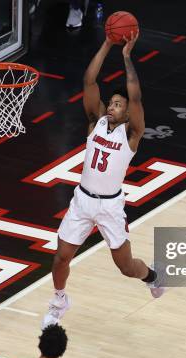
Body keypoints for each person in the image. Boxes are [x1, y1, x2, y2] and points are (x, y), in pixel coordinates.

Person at [42, 31, 164, 328]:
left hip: (110, 206)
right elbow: (89, 81)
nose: (112, 106)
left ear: (127, 114)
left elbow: (135, 94)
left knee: (125, 267)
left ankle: (153, 276)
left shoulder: (132, 135)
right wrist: (108, 44)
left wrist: (126, 57)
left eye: (119, 105)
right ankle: (59, 300)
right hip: (82, 200)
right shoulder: (94, 124)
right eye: (111, 103)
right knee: (61, 258)